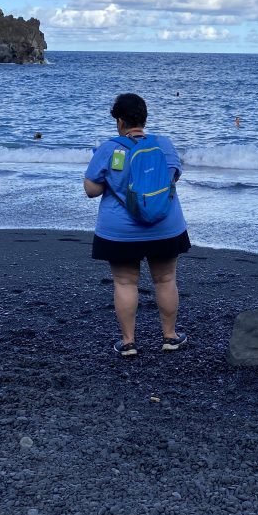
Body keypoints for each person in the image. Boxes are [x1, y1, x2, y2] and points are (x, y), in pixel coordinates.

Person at [83, 93, 190, 358]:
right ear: (144, 118)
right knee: (165, 279)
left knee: (125, 282)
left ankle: (129, 342)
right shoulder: (164, 145)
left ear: (119, 121)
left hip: (120, 231)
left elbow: (91, 189)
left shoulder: (109, 149)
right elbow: (173, 177)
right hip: (165, 226)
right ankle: (170, 337)